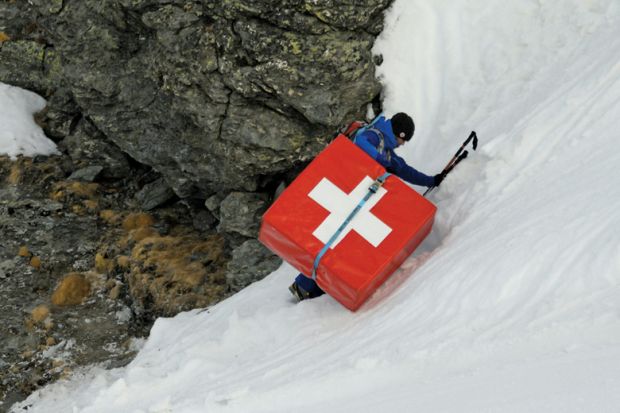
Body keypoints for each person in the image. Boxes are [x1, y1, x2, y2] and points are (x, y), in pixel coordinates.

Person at [288, 112, 445, 301]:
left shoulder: (387, 151)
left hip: (356, 200)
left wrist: (431, 180)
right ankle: (304, 285)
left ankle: (309, 285)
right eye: (403, 140)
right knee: (333, 238)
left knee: (339, 241)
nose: (403, 144)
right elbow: (361, 143)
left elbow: (404, 170)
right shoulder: (374, 135)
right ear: (399, 134)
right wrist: (382, 162)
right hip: (346, 195)